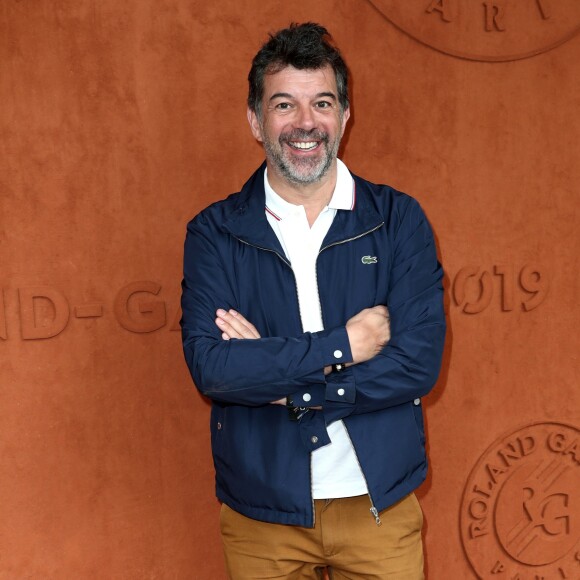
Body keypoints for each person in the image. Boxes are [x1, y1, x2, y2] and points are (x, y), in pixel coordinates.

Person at [181, 22, 446, 580]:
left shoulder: (398, 221)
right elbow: (215, 370)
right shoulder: (215, 233)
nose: (306, 123)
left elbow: (416, 364)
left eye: (322, 103)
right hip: (262, 512)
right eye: (284, 104)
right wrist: (347, 344)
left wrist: (287, 389)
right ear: (256, 119)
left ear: (344, 117)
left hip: (380, 504)